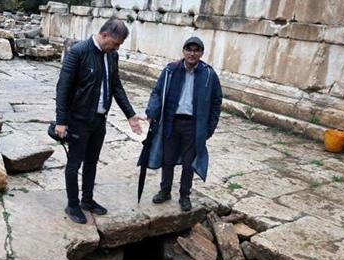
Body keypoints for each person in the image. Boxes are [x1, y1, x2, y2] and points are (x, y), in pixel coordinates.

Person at [55, 17, 146, 224]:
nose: (116, 48)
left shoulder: (112, 56)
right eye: (115, 43)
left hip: (99, 119)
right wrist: (61, 121)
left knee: (92, 162)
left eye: (119, 45)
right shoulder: (78, 52)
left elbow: (116, 86)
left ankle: (87, 200)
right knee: (74, 163)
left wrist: (130, 115)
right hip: (78, 119)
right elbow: (63, 88)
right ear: (104, 35)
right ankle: (73, 204)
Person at [144, 36, 222, 211]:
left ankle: (184, 195)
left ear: (201, 53)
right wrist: (152, 111)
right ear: (184, 51)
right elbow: (156, 92)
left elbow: (217, 102)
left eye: (196, 50)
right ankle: (165, 191)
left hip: (194, 126)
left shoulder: (209, 74)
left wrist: (210, 128)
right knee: (168, 159)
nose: (192, 53)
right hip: (172, 121)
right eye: (189, 49)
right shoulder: (171, 70)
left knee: (189, 163)